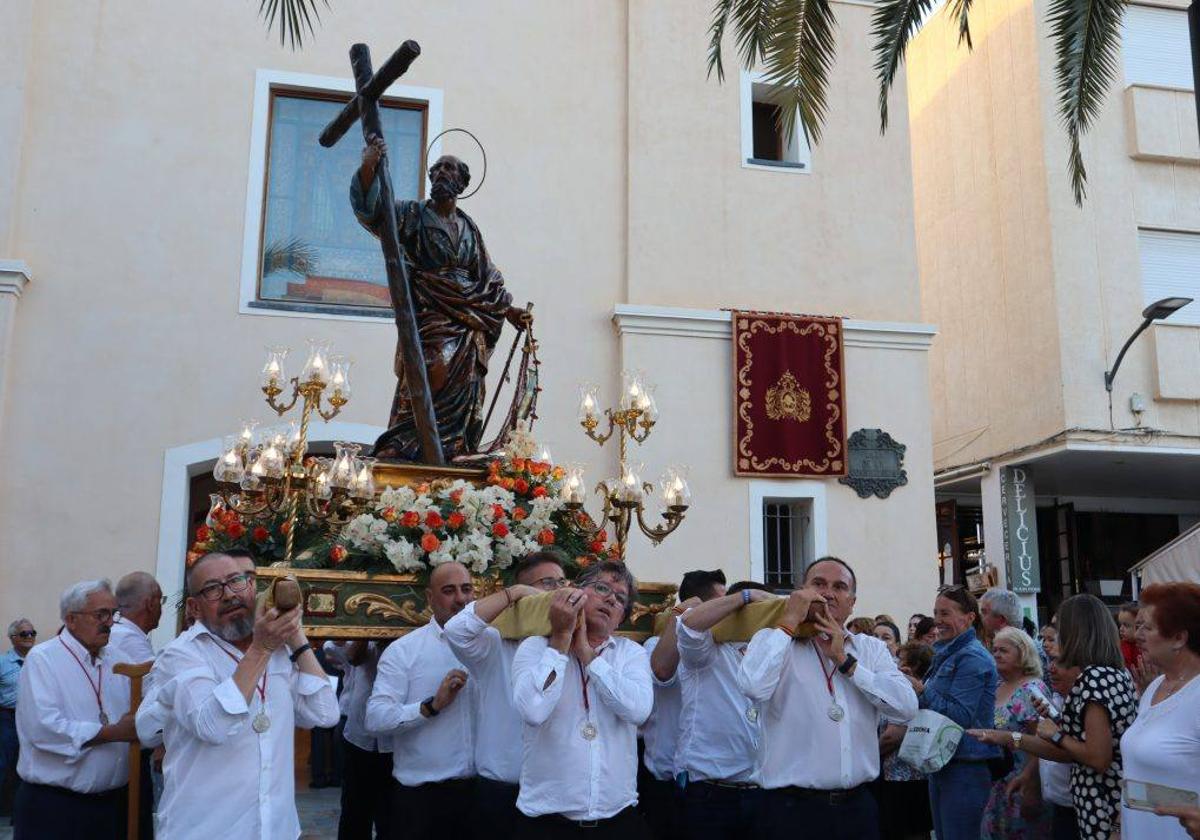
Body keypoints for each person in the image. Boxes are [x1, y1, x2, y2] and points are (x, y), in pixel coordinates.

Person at [352, 134, 531, 460]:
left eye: (451, 170)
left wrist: (510, 310)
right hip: (431, 313)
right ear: (431, 177)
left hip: (470, 324)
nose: (443, 174)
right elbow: (374, 212)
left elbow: (487, 278)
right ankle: (405, 441)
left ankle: (456, 447)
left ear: (462, 183)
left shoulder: (469, 228)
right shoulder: (411, 215)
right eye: (438, 169)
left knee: (468, 385)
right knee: (430, 367)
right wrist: (369, 166)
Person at [140, 551, 339, 840]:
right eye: (213, 588)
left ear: (252, 588)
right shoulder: (181, 655)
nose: (230, 594)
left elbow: (325, 714)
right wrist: (261, 649)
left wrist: (296, 636)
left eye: (237, 581)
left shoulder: (280, 651)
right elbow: (212, 726)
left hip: (277, 830)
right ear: (194, 607)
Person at [737, 556, 918, 839]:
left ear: (852, 601)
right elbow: (753, 687)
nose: (828, 593)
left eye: (840, 587)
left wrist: (846, 663)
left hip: (857, 809)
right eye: (818, 584)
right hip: (789, 811)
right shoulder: (773, 639)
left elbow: (905, 708)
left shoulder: (870, 649)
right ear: (801, 591)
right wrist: (788, 621)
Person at [969, 594, 1137, 840]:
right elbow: (1070, 749)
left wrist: (1055, 733)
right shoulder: (1115, 673)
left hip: (1100, 806)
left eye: (1061, 627)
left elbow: (1097, 757)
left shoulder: (1094, 678)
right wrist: (1008, 738)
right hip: (1096, 804)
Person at [511, 560, 653, 838]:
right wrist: (562, 639)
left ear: (622, 615)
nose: (611, 598)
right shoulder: (535, 647)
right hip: (547, 822)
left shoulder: (630, 653)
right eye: (602, 588)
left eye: (621, 598)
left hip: (618, 819)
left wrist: (589, 656)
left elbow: (638, 711)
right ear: (574, 593)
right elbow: (533, 710)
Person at [443, 550, 571, 838]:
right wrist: (512, 593)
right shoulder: (494, 643)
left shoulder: (569, 642)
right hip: (501, 790)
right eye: (548, 583)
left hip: (555, 791)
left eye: (563, 582)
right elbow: (455, 631)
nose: (560, 590)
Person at [13, 580, 137, 839]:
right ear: (71, 619)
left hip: (110, 806)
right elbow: (44, 728)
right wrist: (112, 732)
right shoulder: (43, 659)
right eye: (100, 614)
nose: (110, 622)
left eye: (113, 614)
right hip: (55, 808)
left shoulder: (117, 657)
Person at [367, 561, 476, 840]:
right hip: (422, 800)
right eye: (449, 591)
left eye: (466, 589)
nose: (461, 599)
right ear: (429, 597)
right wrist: (430, 707)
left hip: (479, 795)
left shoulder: (491, 645)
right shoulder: (404, 651)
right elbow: (376, 719)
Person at [673, 580, 774, 839]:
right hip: (710, 794)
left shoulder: (772, 652)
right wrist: (746, 596)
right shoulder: (706, 649)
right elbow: (688, 625)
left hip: (765, 792)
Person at [640, 568, 727, 840]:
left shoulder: (718, 647)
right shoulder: (655, 644)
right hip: (664, 780)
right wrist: (682, 616)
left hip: (705, 779)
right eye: (720, 601)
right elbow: (663, 671)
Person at [909, 584, 999, 840]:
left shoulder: (972, 657)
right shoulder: (947, 652)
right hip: (944, 763)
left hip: (965, 767)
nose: (938, 621)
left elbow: (959, 716)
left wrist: (921, 690)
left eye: (945, 613)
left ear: (969, 617)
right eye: (936, 613)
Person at [1119, 583, 1200, 839]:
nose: (1137, 635)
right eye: (1138, 625)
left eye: (1147, 627)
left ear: (1179, 638)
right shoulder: (1154, 686)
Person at [979, 627, 1052, 839]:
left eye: (1004, 650)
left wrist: (1032, 785)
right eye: (995, 650)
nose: (997, 655)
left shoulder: (1032, 689)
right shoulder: (997, 686)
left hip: (1023, 782)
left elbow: (1041, 742)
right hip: (997, 784)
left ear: (1022, 654)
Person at [108, 571, 164, 840]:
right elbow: (157, 693)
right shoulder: (128, 639)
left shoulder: (119, 634)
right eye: (161, 600)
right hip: (126, 755)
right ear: (151, 603)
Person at [323, 639, 391, 840]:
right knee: (355, 811)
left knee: (391, 814)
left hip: (396, 737)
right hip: (357, 732)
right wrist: (367, 632)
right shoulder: (361, 638)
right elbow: (346, 654)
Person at [877, 642, 934, 840]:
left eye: (900, 660)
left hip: (904, 779)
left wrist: (867, 753)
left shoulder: (910, 689)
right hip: (904, 778)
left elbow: (893, 736)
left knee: (908, 832)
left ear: (913, 666)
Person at [0, 618, 35, 820]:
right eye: (24, 634)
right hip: (8, 719)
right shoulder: (3, 663)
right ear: (13, 638)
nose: (30, 637)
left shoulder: (40, 660)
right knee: (5, 764)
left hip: (33, 719)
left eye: (32, 633)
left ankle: (19, 812)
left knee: (29, 763)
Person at [1118, 602, 1142, 671]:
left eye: (1126, 625)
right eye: (1120, 625)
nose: (1121, 629)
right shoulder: (1120, 646)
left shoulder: (1146, 648)